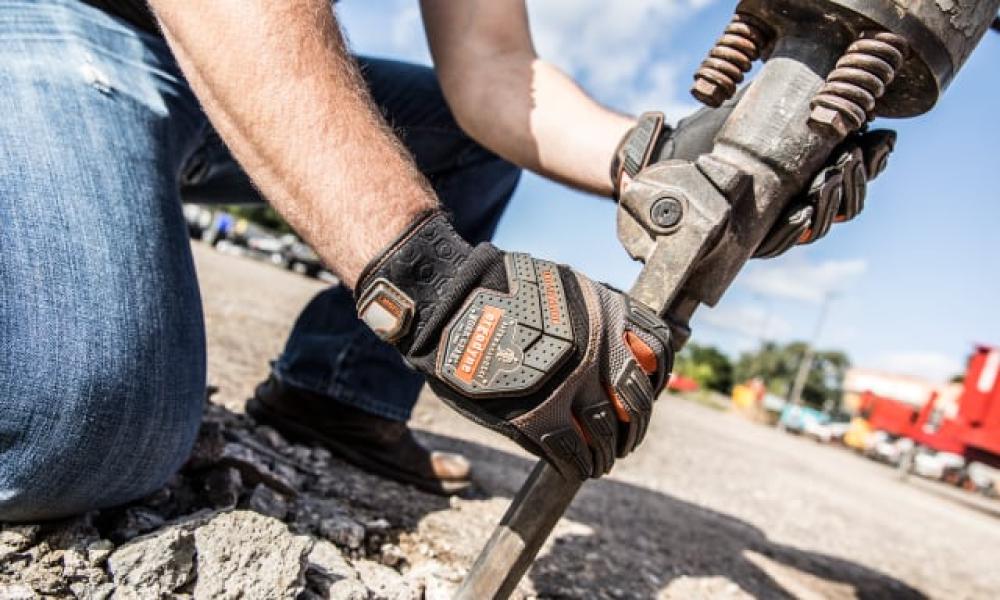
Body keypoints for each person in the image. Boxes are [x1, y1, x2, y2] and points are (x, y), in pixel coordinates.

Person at [0, 0, 893, 521]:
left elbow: (496, 72)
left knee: (465, 146)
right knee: (80, 426)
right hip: (57, 23)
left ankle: (334, 397)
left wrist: (663, 162)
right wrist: (426, 282)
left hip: (212, 67)